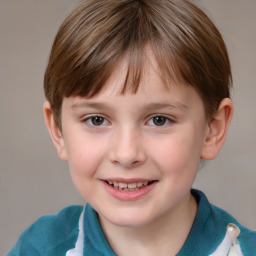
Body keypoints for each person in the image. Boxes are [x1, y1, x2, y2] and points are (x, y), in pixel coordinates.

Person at [7, 0, 256, 255]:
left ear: (212, 129)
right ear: (58, 130)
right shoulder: (38, 248)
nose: (126, 154)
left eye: (159, 120)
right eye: (97, 120)